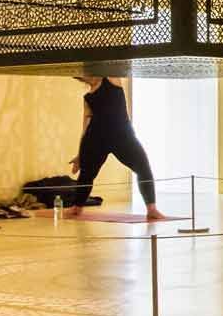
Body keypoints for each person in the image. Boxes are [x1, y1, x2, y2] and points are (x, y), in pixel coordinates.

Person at [65, 76, 168, 221]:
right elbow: (85, 126)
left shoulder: (112, 79)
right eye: (81, 77)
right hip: (95, 137)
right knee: (87, 174)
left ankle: (152, 209)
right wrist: (80, 154)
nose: (84, 77)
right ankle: (77, 207)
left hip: (122, 135)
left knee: (143, 166)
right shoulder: (87, 97)